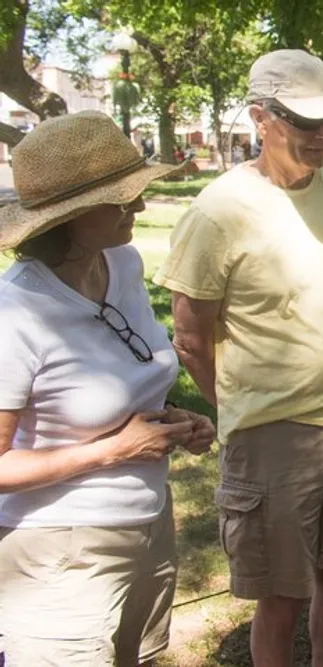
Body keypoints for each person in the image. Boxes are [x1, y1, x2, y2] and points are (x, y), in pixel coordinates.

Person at [153, 49, 323, 667]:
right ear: (260, 118)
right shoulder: (218, 211)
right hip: (272, 433)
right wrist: (236, 405)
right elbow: (189, 337)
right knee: (281, 598)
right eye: (303, 122)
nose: (322, 136)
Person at [0, 110, 215, 666]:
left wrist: (172, 419)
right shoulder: (16, 312)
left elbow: (122, 382)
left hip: (146, 523)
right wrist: (114, 451)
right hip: (57, 549)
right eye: (122, 199)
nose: (139, 206)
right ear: (65, 218)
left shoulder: (122, 262)